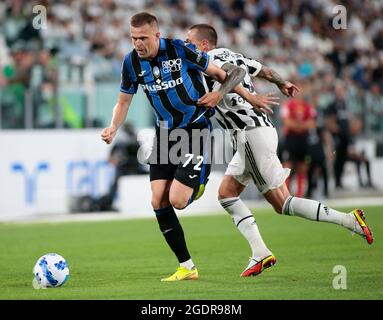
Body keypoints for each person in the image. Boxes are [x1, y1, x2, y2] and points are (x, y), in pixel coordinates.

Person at [186, 24, 374, 278]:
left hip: (250, 135)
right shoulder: (229, 52)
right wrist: (282, 82)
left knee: (282, 203)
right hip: (256, 133)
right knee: (227, 194)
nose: (186, 45)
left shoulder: (213, 59)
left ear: (205, 45)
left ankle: (349, 220)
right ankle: (260, 252)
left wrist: (219, 95)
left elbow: (237, 73)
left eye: (190, 41)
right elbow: (264, 69)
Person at [101, 12, 263, 281]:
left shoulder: (180, 50)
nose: (137, 44)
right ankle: (187, 267)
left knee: (178, 200)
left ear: (156, 35)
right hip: (164, 134)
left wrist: (243, 95)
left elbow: (223, 74)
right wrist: (113, 127)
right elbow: (123, 101)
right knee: (157, 200)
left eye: (142, 38)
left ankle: (200, 178)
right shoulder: (131, 62)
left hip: (194, 129)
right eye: (133, 38)